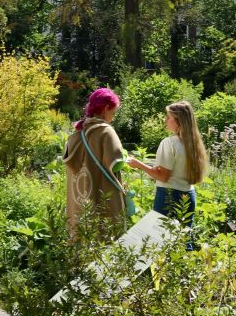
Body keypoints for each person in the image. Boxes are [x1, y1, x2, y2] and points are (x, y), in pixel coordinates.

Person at [128, 101, 206, 247]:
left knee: (158, 243)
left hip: (169, 196)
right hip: (188, 195)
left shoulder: (169, 143)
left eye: (168, 117)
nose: (165, 120)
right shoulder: (194, 144)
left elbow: (163, 177)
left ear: (179, 121)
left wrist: (139, 164)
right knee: (183, 243)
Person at [63, 88, 127, 238]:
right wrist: (124, 156)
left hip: (79, 197)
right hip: (101, 195)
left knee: (81, 233)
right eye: (113, 112)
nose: (113, 117)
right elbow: (117, 164)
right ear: (106, 109)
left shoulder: (77, 133)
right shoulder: (106, 131)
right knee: (104, 236)